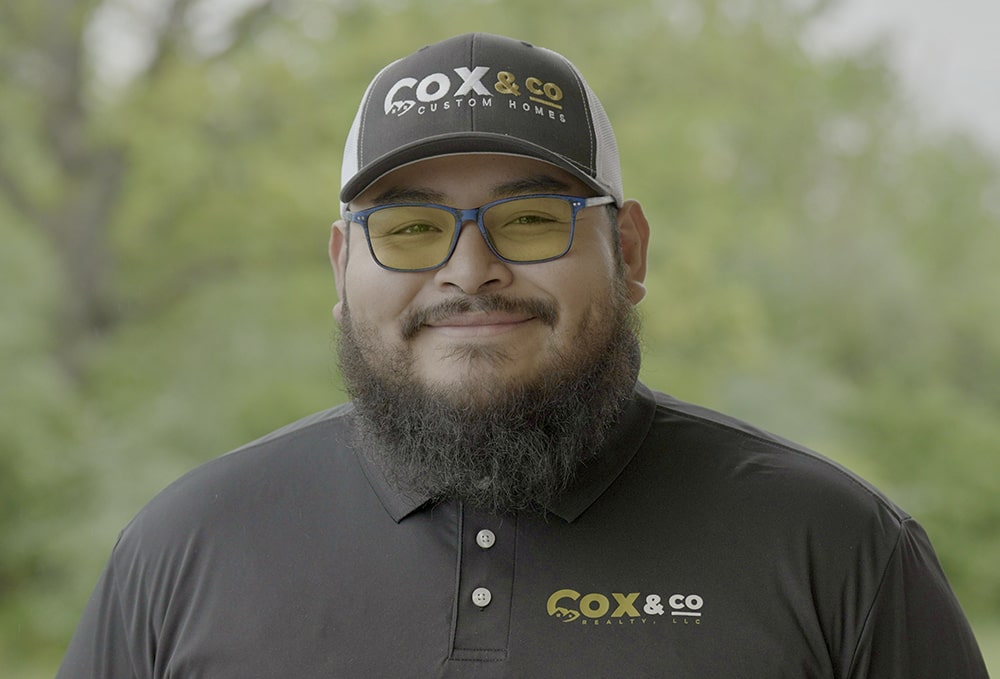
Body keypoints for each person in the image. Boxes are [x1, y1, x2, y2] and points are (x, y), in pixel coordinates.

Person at [57, 32, 988, 678]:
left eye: (533, 219)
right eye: (411, 227)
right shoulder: (183, 550)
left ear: (629, 251)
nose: (471, 271)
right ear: (342, 266)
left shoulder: (839, 551)